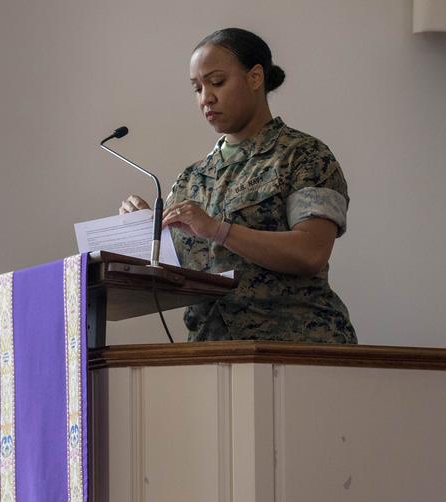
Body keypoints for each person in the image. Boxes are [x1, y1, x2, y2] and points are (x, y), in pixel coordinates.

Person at [119, 28, 357, 343]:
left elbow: (311, 251)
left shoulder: (302, 156)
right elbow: (170, 277)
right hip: (209, 352)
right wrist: (142, 231)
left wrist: (220, 230)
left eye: (217, 82)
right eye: (197, 88)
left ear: (255, 77)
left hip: (295, 347)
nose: (206, 98)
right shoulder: (192, 179)